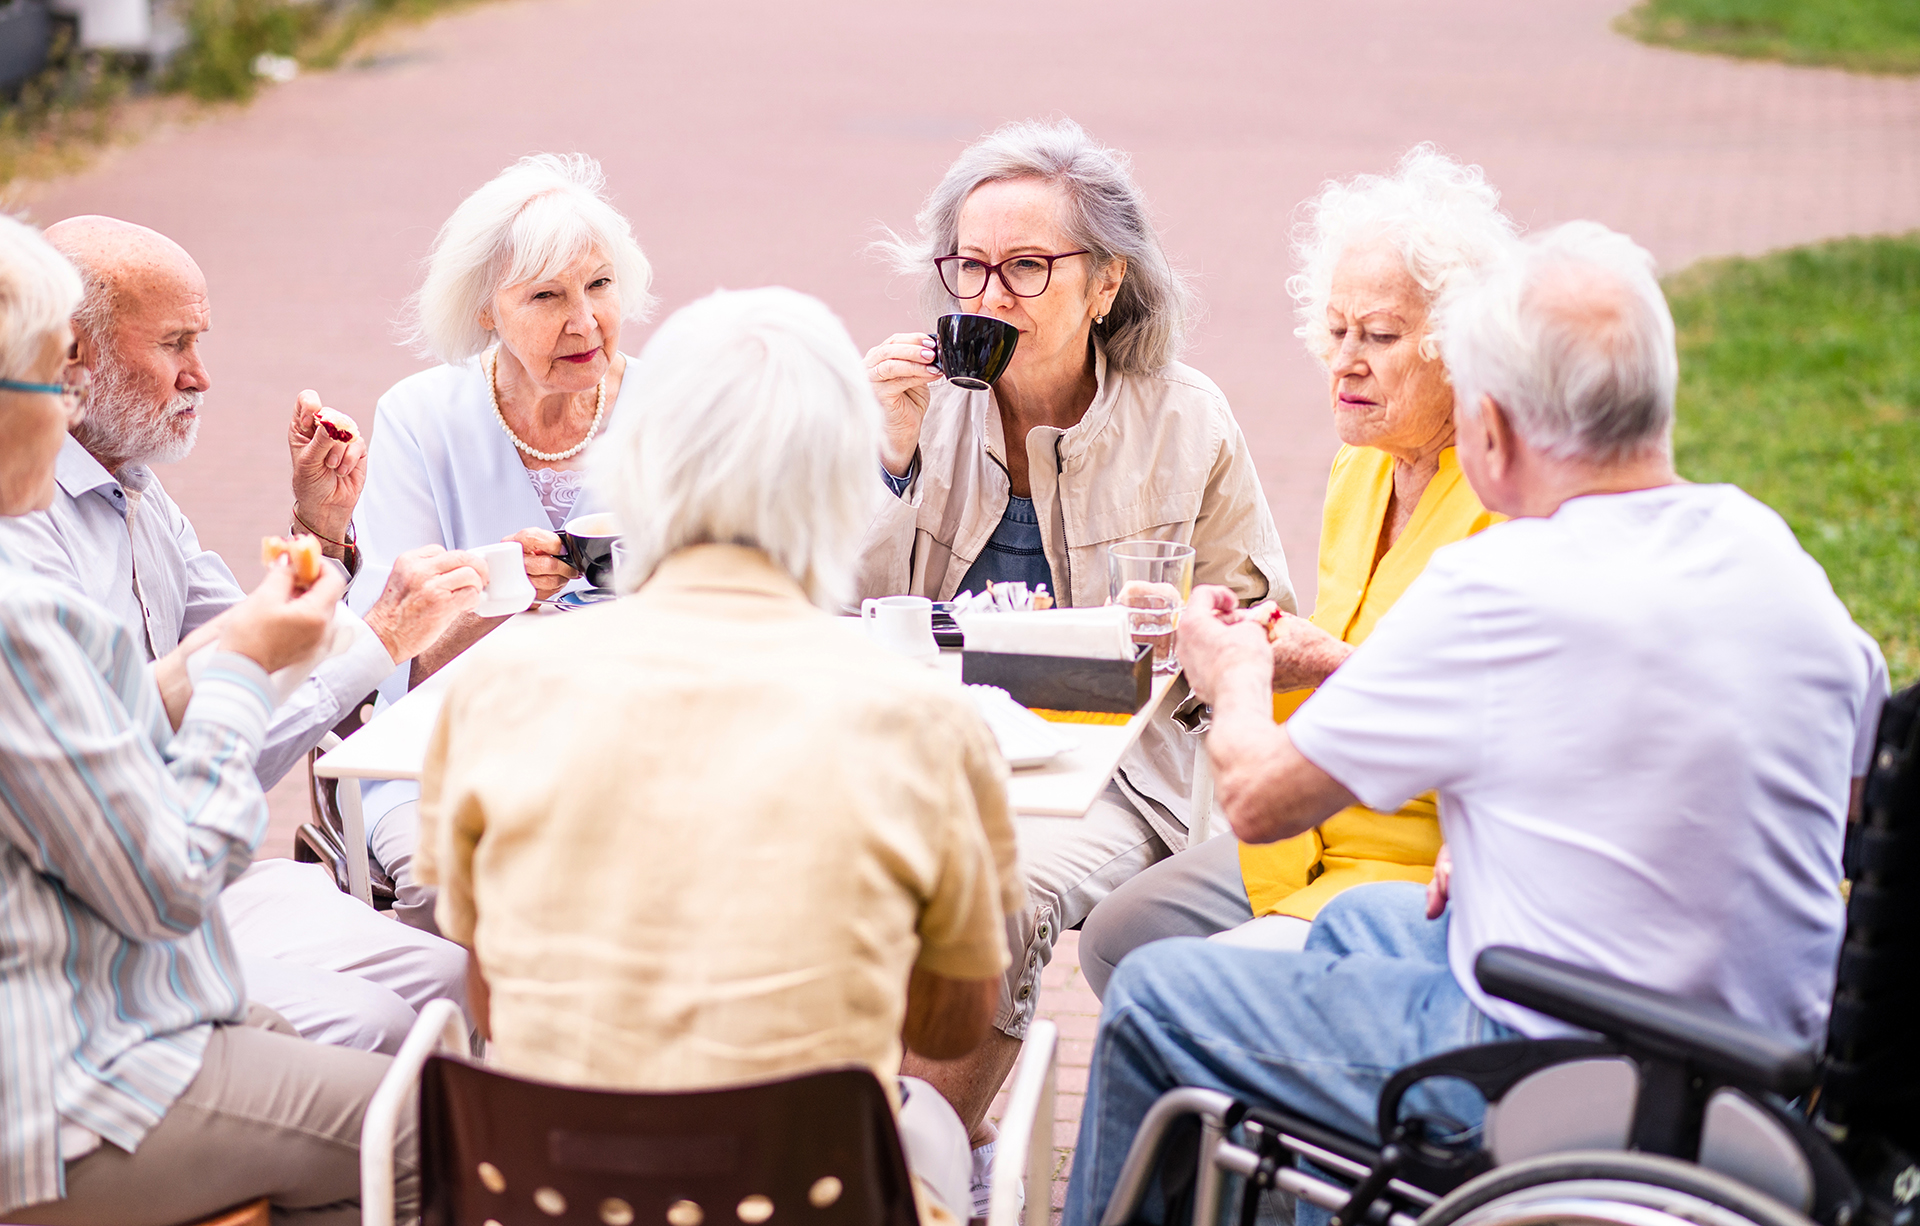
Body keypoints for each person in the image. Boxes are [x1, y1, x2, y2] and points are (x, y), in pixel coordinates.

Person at [1063, 221, 1890, 1226]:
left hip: (1567, 1064)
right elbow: (1835, 808)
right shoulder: (1776, 558)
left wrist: (1231, 670)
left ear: (1489, 428)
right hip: (1767, 1063)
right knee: (1366, 921)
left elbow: (1256, 797)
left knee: (1153, 992)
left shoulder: (1499, 585)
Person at [416, 287, 1020, 1225]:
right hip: (808, 1191)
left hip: (554, 1192)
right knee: (939, 1129)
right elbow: (946, 1025)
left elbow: (488, 983)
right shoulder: (922, 720)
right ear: (835, 482)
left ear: (644, 466)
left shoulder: (497, 688)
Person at [858, 117, 1293, 1200]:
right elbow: (836, 606)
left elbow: (1262, 615)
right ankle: (848, 1141)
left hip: (1115, 765)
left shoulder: (1186, 418)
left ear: (1104, 284)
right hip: (921, 743)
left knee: (993, 889)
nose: (989, 293)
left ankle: (910, 1180)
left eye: (1026, 266)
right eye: (967, 264)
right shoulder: (911, 407)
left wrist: (1188, 622)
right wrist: (886, 457)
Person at [0, 213, 418, 1226]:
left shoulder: (128, 499)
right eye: (48, 375)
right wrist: (242, 668)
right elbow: (166, 884)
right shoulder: (22, 585)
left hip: (112, 981)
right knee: (424, 1121)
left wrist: (314, 544)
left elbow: (177, 678)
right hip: (65, 1064)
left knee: (417, 1012)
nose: (202, 377)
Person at [1080, 147, 1514, 995]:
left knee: (1166, 989)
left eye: (1381, 337)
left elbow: (1484, 723)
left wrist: (1299, 662)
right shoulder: (1364, 467)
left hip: (1409, 858)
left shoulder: (1505, 496)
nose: (1344, 361)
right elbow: (1345, 650)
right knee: (1116, 936)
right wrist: (1253, 637)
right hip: (1307, 829)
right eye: (1336, 329)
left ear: (1460, 348)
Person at [347, 152, 654, 933]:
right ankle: (475, 1055)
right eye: (546, 295)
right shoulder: (421, 417)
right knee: (469, 892)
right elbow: (387, 650)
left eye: (600, 285)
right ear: (486, 308)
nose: (584, 321)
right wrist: (498, 596)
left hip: (640, 745)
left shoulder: (669, 407)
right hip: (447, 754)